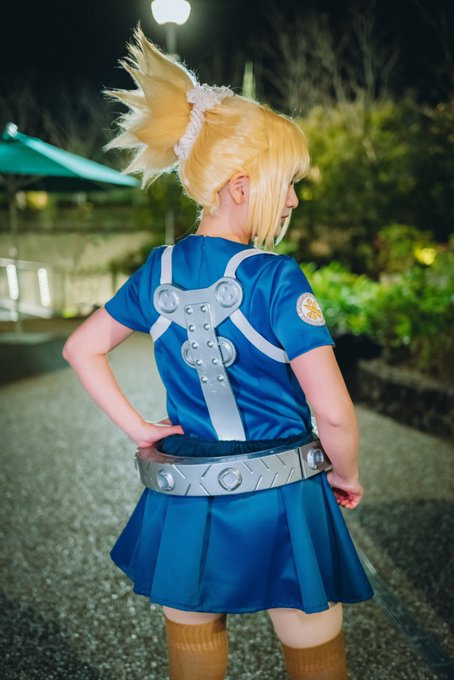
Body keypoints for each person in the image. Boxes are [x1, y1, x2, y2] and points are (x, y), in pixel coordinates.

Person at [62, 27, 373, 680]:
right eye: (286, 183)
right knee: (314, 648)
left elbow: (81, 348)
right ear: (240, 186)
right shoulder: (276, 278)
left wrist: (139, 429)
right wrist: (345, 474)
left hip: (186, 497)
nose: (292, 199)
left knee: (194, 649)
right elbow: (333, 411)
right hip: (286, 497)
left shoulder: (155, 272)